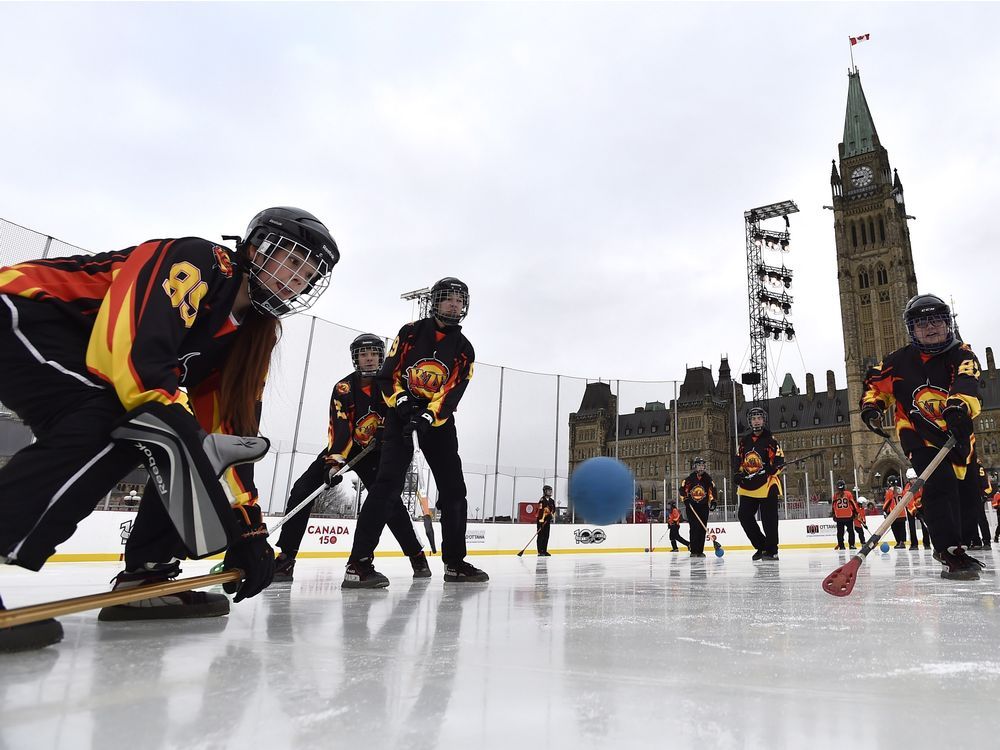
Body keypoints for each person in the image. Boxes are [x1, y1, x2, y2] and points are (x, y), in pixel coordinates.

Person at [0, 207, 339, 652]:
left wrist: (249, 527)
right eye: (294, 261)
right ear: (257, 247)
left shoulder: (254, 333)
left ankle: (149, 572)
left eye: (309, 275)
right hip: (23, 308)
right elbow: (137, 363)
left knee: (177, 439)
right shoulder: (198, 262)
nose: (299, 279)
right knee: (129, 423)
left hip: (87, 362)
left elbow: (227, 430)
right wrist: (187, 435)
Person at [343, 277, 486, 587]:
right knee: (386, 487)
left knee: (453, 491)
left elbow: (452, 393)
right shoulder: (409, 333)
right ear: (435, 301)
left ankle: (455, 562)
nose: (454, 304)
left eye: (460, 300)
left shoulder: (464, 349)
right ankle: (358, 564)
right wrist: (402, 401)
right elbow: (387, 375)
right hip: (399, 419)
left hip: (438, 424)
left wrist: (428, 415)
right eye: (449, 298)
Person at [272, 334, 430, 581]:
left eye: (374, 354)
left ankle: (416, 555)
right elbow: (340, 426)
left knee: (389, 504)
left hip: (378, 453)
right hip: (346, 447)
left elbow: (404, 415)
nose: (369, 359)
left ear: (381, 356)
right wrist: (335, 462)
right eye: (363, 354)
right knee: (302, 489)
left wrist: (391, 434)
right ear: (356, 358)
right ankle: (286, 558)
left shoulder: (394, 385)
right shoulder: (343, 388)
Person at [860, 293, 985, 580]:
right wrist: (872, 407)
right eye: (921, 323)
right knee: (938, 486)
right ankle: (948, 551)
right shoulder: (897, 361)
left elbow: (967, 380)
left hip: (957, 436)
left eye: (937, 321)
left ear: (947, 324)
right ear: (912, 329)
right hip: (919, 435)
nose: (930, 328)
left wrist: (958, 407)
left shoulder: (962, 354)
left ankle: (958, 543)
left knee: (968, 499)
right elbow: (875, 385)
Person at [736, 405, 785, 561]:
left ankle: (771, 550)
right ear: (750, 422)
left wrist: (773, 469)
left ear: (764, 420)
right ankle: (761, 545)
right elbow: (738, 460)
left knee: (769, 520)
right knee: (744, 516)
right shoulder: (744, 441)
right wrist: (738, 474)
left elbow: (779, 461)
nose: (756, 421)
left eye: (759, 418)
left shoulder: (771, 441)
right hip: (748, 486)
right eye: (753, 418)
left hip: (767, 485)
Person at [679, 457, 717, 558]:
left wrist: (713, 501)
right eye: (699, 465)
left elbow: (712, 490)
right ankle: (694, 550)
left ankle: (700, 551)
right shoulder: (689, 479)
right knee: (694, 528)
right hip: (692, 507)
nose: (701, 467)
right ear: (695, 467)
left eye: (702, 465)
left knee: (702, 528)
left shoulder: (708, 479)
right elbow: (682, 489)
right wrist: (685, 499)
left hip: (703, 507)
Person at [902, 468, 931, 550]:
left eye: (914, 479)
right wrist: (914, 510)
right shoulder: (907, 488)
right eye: (911, 479)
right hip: (911, 508)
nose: (913, 481)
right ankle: (914, 544)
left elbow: (924, 496)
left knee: (924, 524)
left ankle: (927, 543)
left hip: (922, 506)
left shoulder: (922, 485)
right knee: (911, 526)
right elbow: (909, 501)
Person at [830, 480, 860, 550]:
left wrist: (834, 514)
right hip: (848, 516)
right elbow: (853, 504)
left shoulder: (835, 496)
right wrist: (856, 512)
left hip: (839, 516)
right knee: (851, 531)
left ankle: (841, 545)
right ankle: (851, 545)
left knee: (840, 532)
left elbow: (833, 506)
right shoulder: (848, 494)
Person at [882, 476, 908, 549]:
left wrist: (885, 511)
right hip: (902, 512)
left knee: (895, 528)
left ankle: (898, 541)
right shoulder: (901, 489)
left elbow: (888, 502)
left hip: (893, 513)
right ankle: (902, 542)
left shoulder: (889, 491)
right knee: (902, 528)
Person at [536, 485, 556, 556]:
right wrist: (542, 519)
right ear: (544, 491)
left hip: (548, 521)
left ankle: (544, 550)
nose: (550, 492)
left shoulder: (552, 501)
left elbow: (553, 510)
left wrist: (551, 515)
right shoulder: (542, 500)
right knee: (541, 535)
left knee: (546, 535)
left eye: (551, 491)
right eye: (548, 491)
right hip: (541, 521)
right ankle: (540, 551)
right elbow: (540, 510)